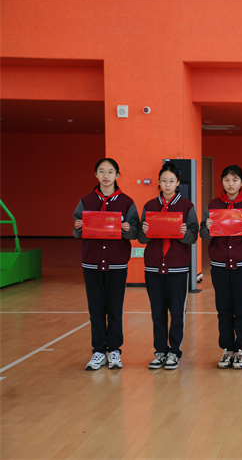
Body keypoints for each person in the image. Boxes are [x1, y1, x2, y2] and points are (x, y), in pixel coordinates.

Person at [73, 158, 140, 371]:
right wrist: (78, 226)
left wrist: (127, 229)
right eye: (101, 171)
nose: (106, 175)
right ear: (96, 174)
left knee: (114, 308)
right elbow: (76, 231)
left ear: (117, 175)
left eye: (110, 171)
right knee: (95, 309)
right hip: (91, 263)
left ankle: (114, 350)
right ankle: (98, 352)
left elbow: (135, 232)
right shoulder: (85, 201)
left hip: (116, 263)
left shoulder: (127, 202)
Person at [200, 165, 242, 369]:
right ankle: (227, 349)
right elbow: (203, 233)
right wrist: (207, 228)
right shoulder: (213, 205)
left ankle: (241, 350)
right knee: (224, 308)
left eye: (235, 180)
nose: (231, 184)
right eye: (227, 180)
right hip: (219, 265)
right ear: (222, 182)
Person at [138, 161, 199, 370]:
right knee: (157, 312)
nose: (167, 184)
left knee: (176, 311)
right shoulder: (149, 206)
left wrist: (184, 233)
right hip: (153, 267)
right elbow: (141, 239)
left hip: (177, 267)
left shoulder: (187, 206)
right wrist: (145, 231)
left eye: (171, 181)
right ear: (159, 182)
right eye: (164, 180)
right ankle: (160, 351)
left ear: (178, 183)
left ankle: (174, 351)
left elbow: (193, 236)